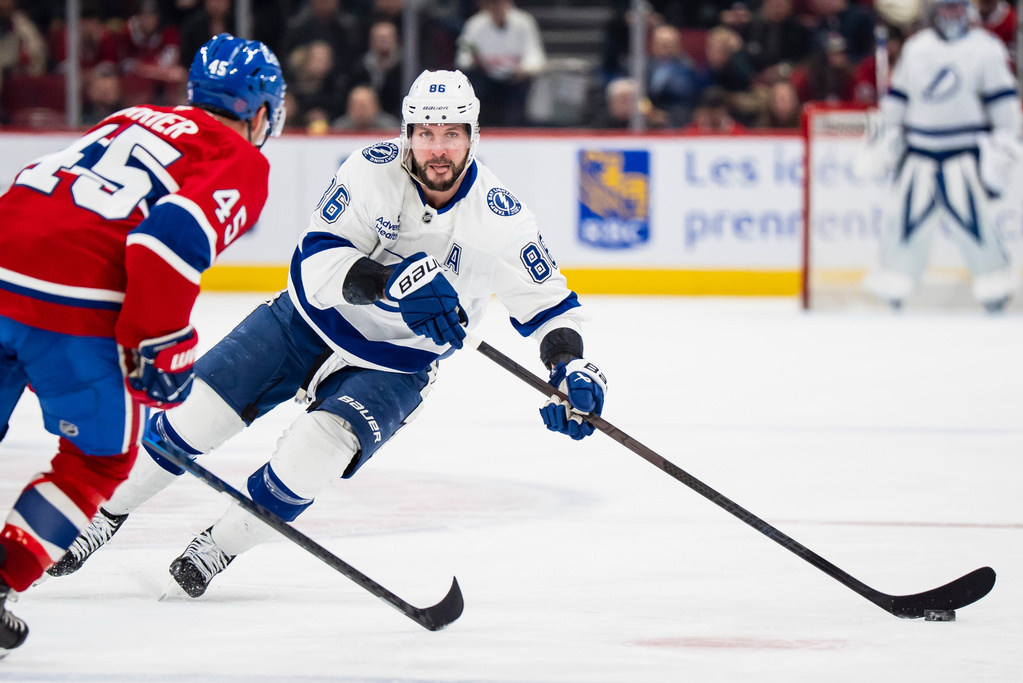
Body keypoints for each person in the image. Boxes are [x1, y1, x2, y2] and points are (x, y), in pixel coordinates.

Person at [49, 69, 607, 602]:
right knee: (192, 418)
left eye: (453, 134)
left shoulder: (502, 217)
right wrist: (392, 285)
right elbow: (315, 264)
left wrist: (570, 368)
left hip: (398, 364)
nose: (439, 148)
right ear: (407, 133)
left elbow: (550, 304)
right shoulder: (370, 170)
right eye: (426, 133)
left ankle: (217, 549)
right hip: (306, 323)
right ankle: (102, 515)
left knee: (310, 457)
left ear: (474, 137)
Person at [0, 32, 286, 656]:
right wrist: (158, 344)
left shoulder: (129, 116)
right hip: (70, 301)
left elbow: (31, 179)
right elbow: (165, 242)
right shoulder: (240, 158)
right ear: (261, 112)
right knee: (99, 460)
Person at [859, 0, 1022, 312]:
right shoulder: (918, 48)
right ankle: (895, 282)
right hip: (919, 152)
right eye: (946, 9)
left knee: (973, 223)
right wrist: (889, 131)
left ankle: (994, 284)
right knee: (907, 222)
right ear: (934, 13)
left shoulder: (985, 49)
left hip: (963, 152)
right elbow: (900, 97)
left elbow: (1003, 101)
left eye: (957, 8)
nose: (952, 16)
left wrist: (1005, 139)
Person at [456, 0, 546, 126]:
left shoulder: (523, 22)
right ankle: (479, 127)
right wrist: (475, 61)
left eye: (500, 3)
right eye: (493, 4)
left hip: (515, 80)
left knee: (528, 87)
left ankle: (517, 129)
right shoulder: (475, 25)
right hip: (486, 78)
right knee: (472, 83)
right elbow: (463, 59)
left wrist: (524, 70)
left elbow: (535, 57)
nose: (497, 8)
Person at [331, 84, 400, 131]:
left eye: (364, 106)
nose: (361, 111)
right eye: (357, 106)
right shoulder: (339, 129)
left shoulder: (390, 129)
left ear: (376, 107)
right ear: (349, 108)